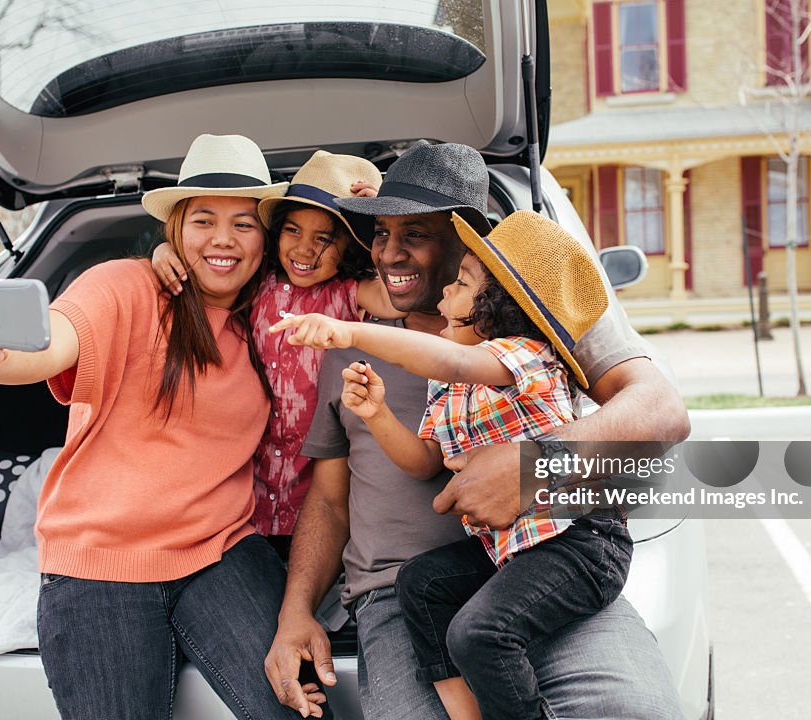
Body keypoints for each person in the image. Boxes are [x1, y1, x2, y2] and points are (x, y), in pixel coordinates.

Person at [264, 140, 690, 720]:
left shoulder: (539, 321)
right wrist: (295, 613)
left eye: (414, 234)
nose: (389, 254)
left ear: (469, 243)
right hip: (404, 592)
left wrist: (532, 466)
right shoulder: (352, 352)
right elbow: (333, 500)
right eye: (380, 235)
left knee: (633, 712)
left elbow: (663, 411)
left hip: (549, 556)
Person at [0, 134, 326, 720]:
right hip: (99, 564)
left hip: (221, 552)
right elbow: (48, 345)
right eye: (204, 219)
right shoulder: (126, 287)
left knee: (301, 712)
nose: (223, 240)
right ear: (177, 228)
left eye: (244, 223)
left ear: (265, 237)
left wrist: (362, 196)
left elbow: (362, 275)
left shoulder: (272, 317)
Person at [150, 150, 396, 551]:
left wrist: (381, 228)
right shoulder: (255, 284)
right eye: (293, 231)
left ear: (351, 246)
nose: (303, 250)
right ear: (275, 232)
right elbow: (210, 269)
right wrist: (164, 252)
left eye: (324, 239)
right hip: (247, 493)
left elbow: (403, 293)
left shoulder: (349, 295)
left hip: (318, 486)